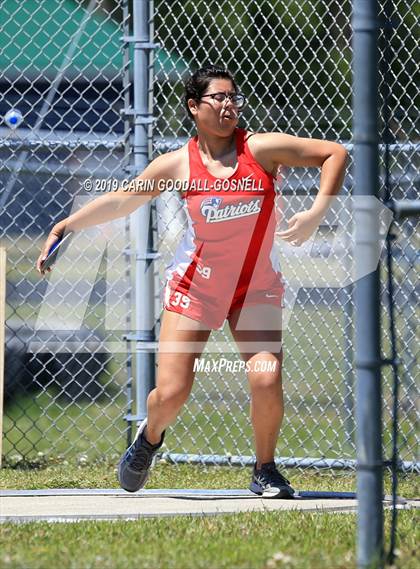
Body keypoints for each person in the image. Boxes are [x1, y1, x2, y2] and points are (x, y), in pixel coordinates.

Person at [37, 64, 348, 498]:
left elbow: (334, 153)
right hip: (196, 287)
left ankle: (265, 469)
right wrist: (66, 225)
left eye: (232, 97)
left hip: (254, 287)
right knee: (173, 393)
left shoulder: (260, 149)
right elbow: (123, 200)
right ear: (193, 107)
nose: (227, 105)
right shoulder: (178, 164)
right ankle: (149, 438)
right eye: (217, 97)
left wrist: (317, 213)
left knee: (265, 377)